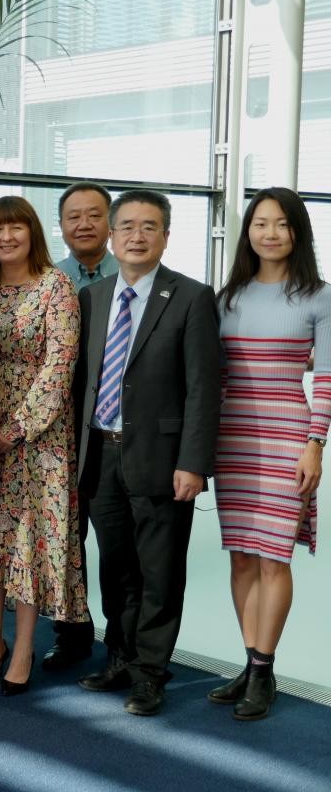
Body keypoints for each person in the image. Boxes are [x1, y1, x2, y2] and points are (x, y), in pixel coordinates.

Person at [74, 190, 220, 716]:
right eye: (128, 226)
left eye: (149, 226)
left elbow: (205, 388)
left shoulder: (191, 296)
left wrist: (193, 463)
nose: (137, 235)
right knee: (114, 567)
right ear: (113, 236)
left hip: (162, 458)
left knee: (159, 572)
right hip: (100, 455)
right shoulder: (93, 297)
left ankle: (150, 673)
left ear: (165, 236)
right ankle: (120, 656)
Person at [0, 196, 89, 697]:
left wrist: (14, 429)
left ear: (33, 233)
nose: (6, 237)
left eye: (16, 228)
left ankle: (26, 646)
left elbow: (60, 367)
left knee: (28, 543)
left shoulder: (57, 287)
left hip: (39, 439)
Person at [209, 188, 330, 720]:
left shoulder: (320, 297)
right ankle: (252, 662)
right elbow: (211, 376)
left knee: (273, 555)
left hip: (287, 437)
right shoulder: (227, 296)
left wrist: (316, 446)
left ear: (298, 232)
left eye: (281, 224)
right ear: (248, 232)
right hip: (231, 435)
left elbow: (326, 379)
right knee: (241, 554)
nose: (270, 233)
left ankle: (263, 668)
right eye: (260, 223)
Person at [43, 181, 112, 672]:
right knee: (66, 538)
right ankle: (71, 633)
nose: (83, 224)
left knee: (114, 542)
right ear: (61, 225)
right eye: (74, 217)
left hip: (110, 431)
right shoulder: (52, 279)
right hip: (58, 432)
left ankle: (126, 641)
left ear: (110, 222)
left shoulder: (132, 277)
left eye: (94, 215)